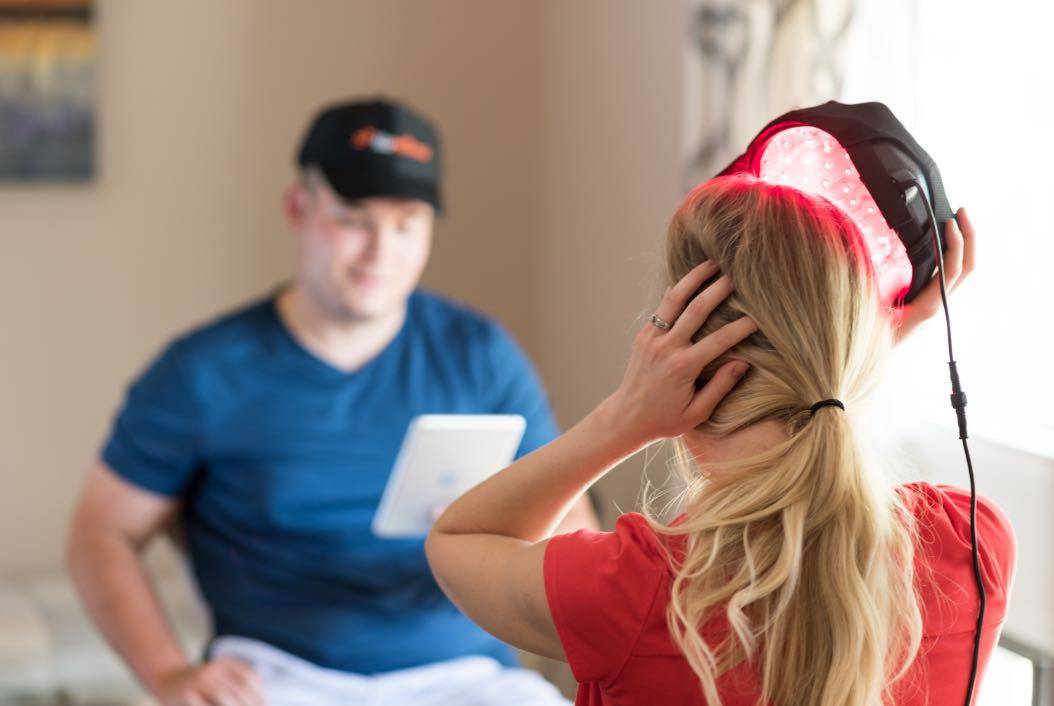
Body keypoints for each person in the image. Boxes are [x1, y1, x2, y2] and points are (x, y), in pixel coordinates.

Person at [67, 97, 595, 706]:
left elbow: (576, 533)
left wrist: (498, 525)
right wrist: (169, 675)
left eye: (406, 224)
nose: (381, 251)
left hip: (464, 675)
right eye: (353, 219)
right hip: (276, 676)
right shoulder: (202, 371)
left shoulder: (481, 354)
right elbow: (99, 534)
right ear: (299, 208)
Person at [426, 175, 1015, 706]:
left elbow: (459, 541)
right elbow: (822, 433)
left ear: (684, 367)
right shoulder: (973, 546)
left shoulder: (640, 590)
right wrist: (845, 361)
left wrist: (626, 417)